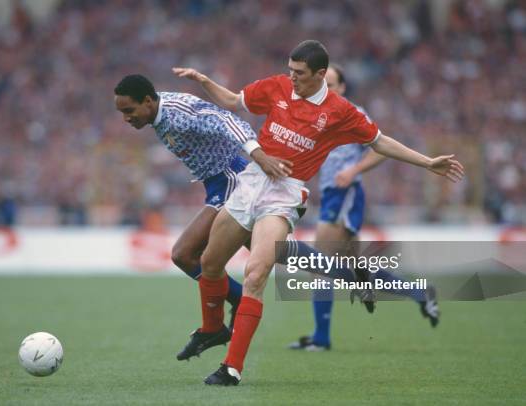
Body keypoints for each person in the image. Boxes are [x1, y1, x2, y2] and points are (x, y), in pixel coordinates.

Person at [173, 39, 464, 386]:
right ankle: (212, 329)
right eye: (290, 70)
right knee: (209, 263)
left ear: (320, 74)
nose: (291, 77)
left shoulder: (341, 111)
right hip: (250, 183)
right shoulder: (277, 86)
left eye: (299, 73)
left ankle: (231, 368)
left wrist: (427, 162)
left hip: (284, 196)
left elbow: (380, 142)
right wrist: (205, 81)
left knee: (255, 274)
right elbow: (236, 101)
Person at [113, 74, 336, 360]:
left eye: (129, 111)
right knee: (283, 255)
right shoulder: (158, 114)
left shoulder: (179, 114)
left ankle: (224, 316)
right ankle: (370, 277)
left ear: (147, 101)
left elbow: (230, 121)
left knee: (185, 253)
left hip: (233, 179)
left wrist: (259, 156)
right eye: (121, 112)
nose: (125, 118)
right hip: (217, 183)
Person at [288, 64, 438, 353]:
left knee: (320, 266)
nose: (326, 90)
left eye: (331, 85)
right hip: (332, 195)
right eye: (323, 85)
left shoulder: (351, 113)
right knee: (353, 268)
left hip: (344, 195)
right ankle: (419, 293)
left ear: (342, 88)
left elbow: (380, 149)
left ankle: (321, 338)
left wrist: (353, 169)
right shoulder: (315, 113)